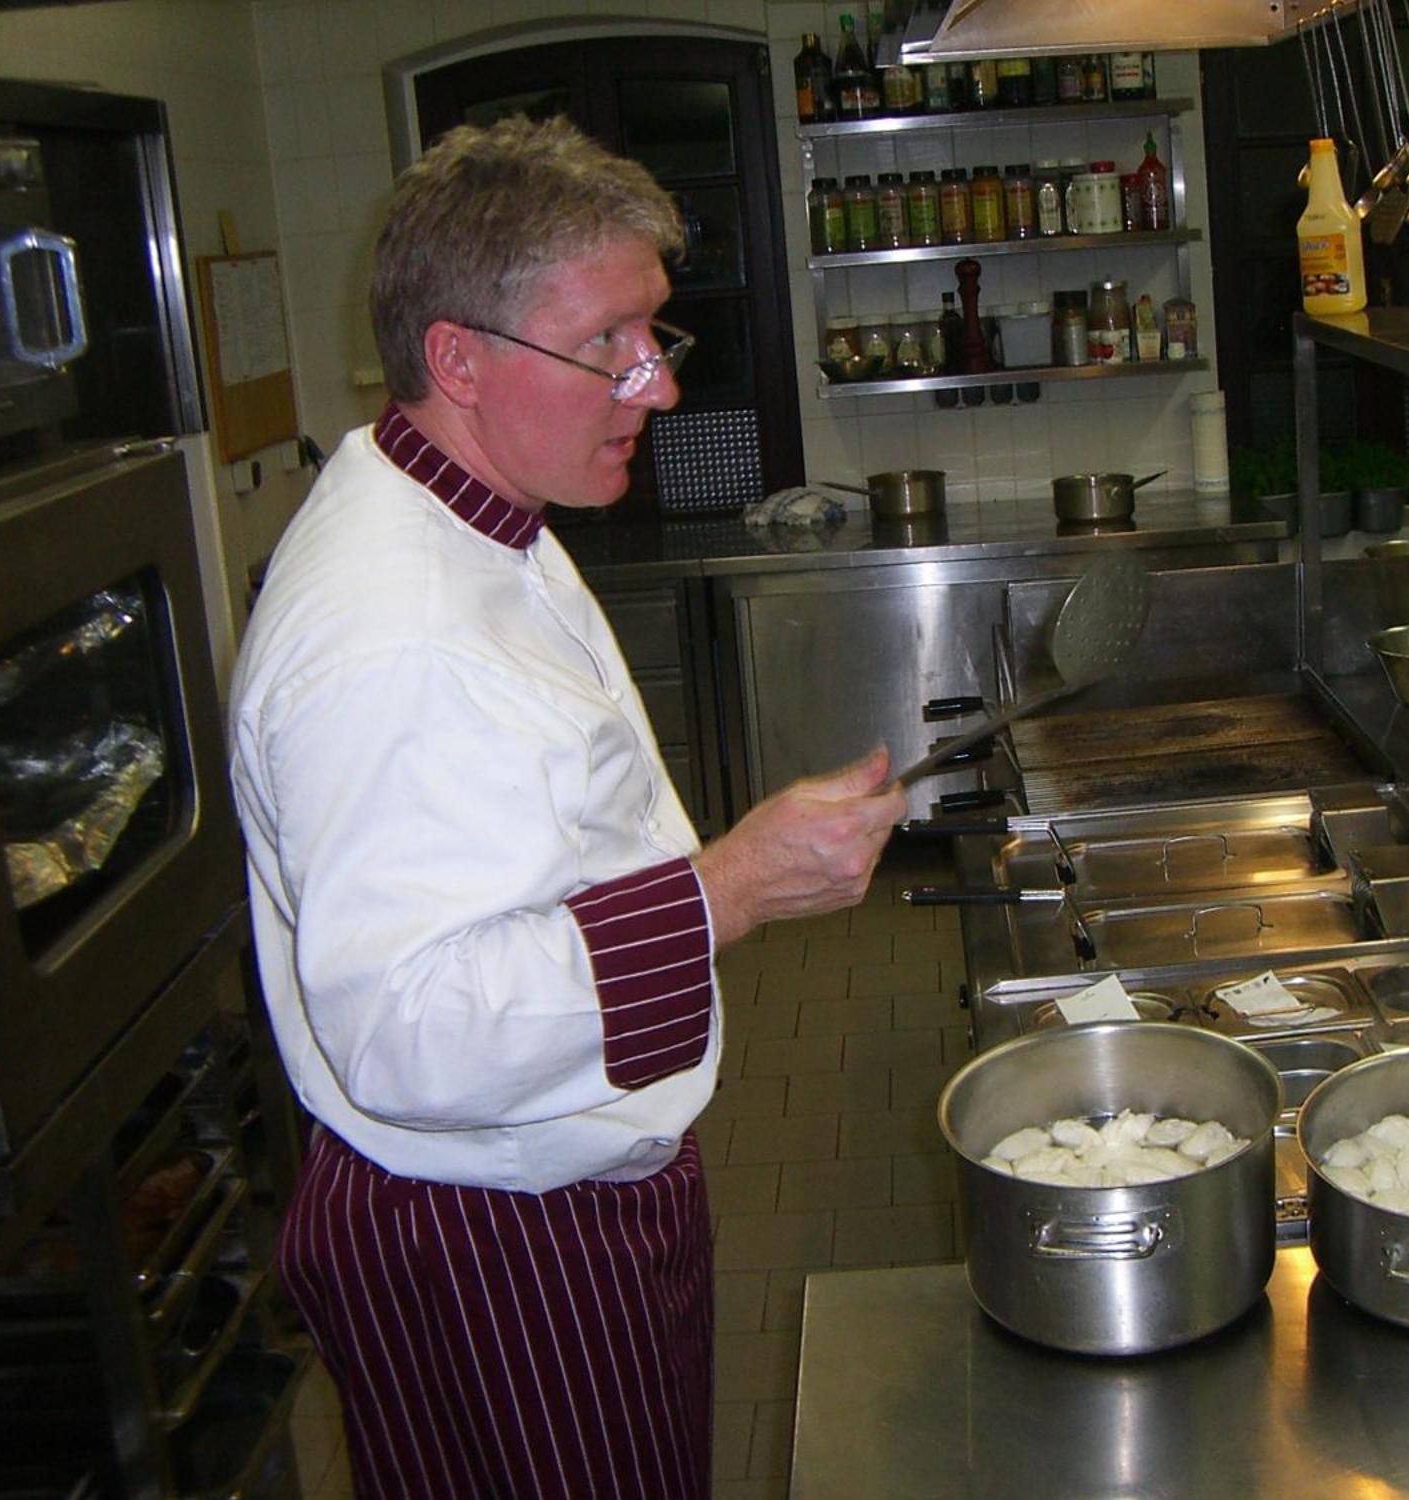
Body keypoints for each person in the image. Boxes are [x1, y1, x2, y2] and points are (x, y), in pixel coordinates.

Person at [228, 116, 905, 1500]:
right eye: (607, 343)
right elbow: (408, 1029)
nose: (653, 387)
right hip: (498, 1240)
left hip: (555, 1177)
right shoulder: (395, 633)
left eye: (657, 335)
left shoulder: (479, 506)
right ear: (457, 358)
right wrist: (730, 889)